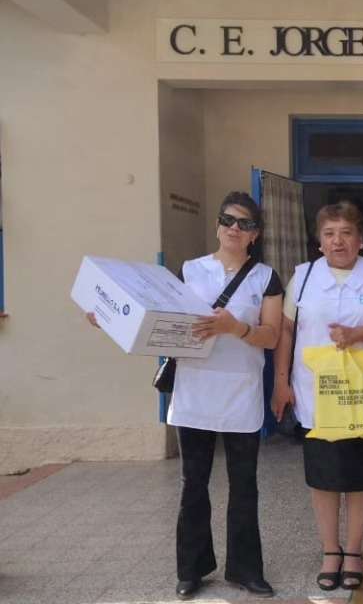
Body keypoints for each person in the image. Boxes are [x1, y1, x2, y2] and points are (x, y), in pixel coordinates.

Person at [88, 191, 283, 600]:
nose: (234, 228)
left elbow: (271, 337)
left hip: (241, 392)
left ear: (255, 234)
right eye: (228, 220)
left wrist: (235, 328)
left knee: (244, 485)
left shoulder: (266, 277)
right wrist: (109, 318)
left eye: (245, 223)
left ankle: (246, 570)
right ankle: (191, 570)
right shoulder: (190, 271)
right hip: (194, 390)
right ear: (217, 225)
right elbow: (157, 320)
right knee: (193, 483)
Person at [271, 201, 363, 592]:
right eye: (329, 234)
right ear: (319, 242)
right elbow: (285, 331)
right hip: (316, 394)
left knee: (361, 476)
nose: (338, 241)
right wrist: (280, 381)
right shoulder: (303, 277)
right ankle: (330, 550)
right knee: (324, 476)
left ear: (360, 240)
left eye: (346, 233)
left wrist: (361, 333)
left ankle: (354, 551)